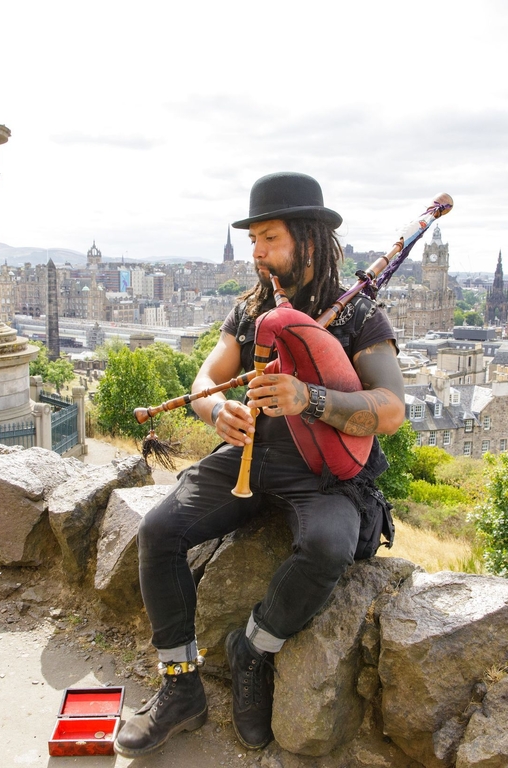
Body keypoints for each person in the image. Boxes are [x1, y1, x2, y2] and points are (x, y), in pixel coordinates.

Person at [114, 171, 405, 758]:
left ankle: (253, 649)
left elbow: (391, 409)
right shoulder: (248, 313)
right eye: (253, 241)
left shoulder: (359, 319)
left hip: (323, 476)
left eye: (268, 239)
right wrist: (216, 410)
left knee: (327, 546)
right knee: (159, 530)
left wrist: (311, 399)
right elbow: (204, 381)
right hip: (247, 458)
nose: (257, 253)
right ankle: (181, 687)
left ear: (309, 239)